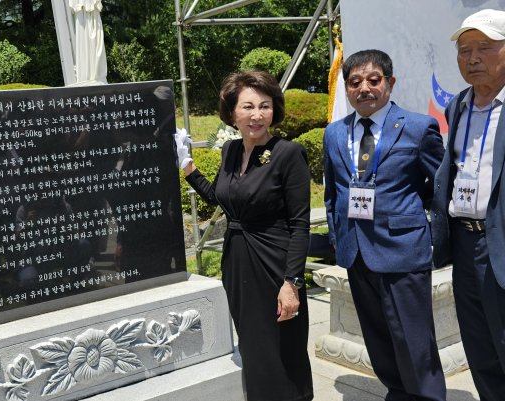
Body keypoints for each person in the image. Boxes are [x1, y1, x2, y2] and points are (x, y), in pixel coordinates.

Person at [176, 70, 313, 400]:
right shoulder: (231, 150)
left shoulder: (288, 153)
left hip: (275, 264)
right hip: (238, 264)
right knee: (253, 349)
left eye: (264, 106)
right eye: (248, 106)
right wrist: (186, 165)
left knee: (284, 350)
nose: (257, 115)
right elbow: (220, 198)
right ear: (232, 111)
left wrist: (291, 282)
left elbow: (300, 224)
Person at [323, 49, 446, 400]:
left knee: (414, 340)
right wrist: (337, 239)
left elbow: (439, 185)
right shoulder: (334, 133)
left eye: (373, 80)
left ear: (390, 83)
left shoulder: (419, 128)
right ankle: (398, 391)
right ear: (347, 88)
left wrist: (417, 222)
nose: (365, 88)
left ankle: (427, 395)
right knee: (377, 337)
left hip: (402, 251)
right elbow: (332, 193)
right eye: (355, 82)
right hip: (356, 252)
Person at [431, 9, 505, 400]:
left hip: (501, 245)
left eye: (484, 47)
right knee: (479, 349)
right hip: (465, 244)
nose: (473, 58)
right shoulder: (458, 105)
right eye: (464, 50)